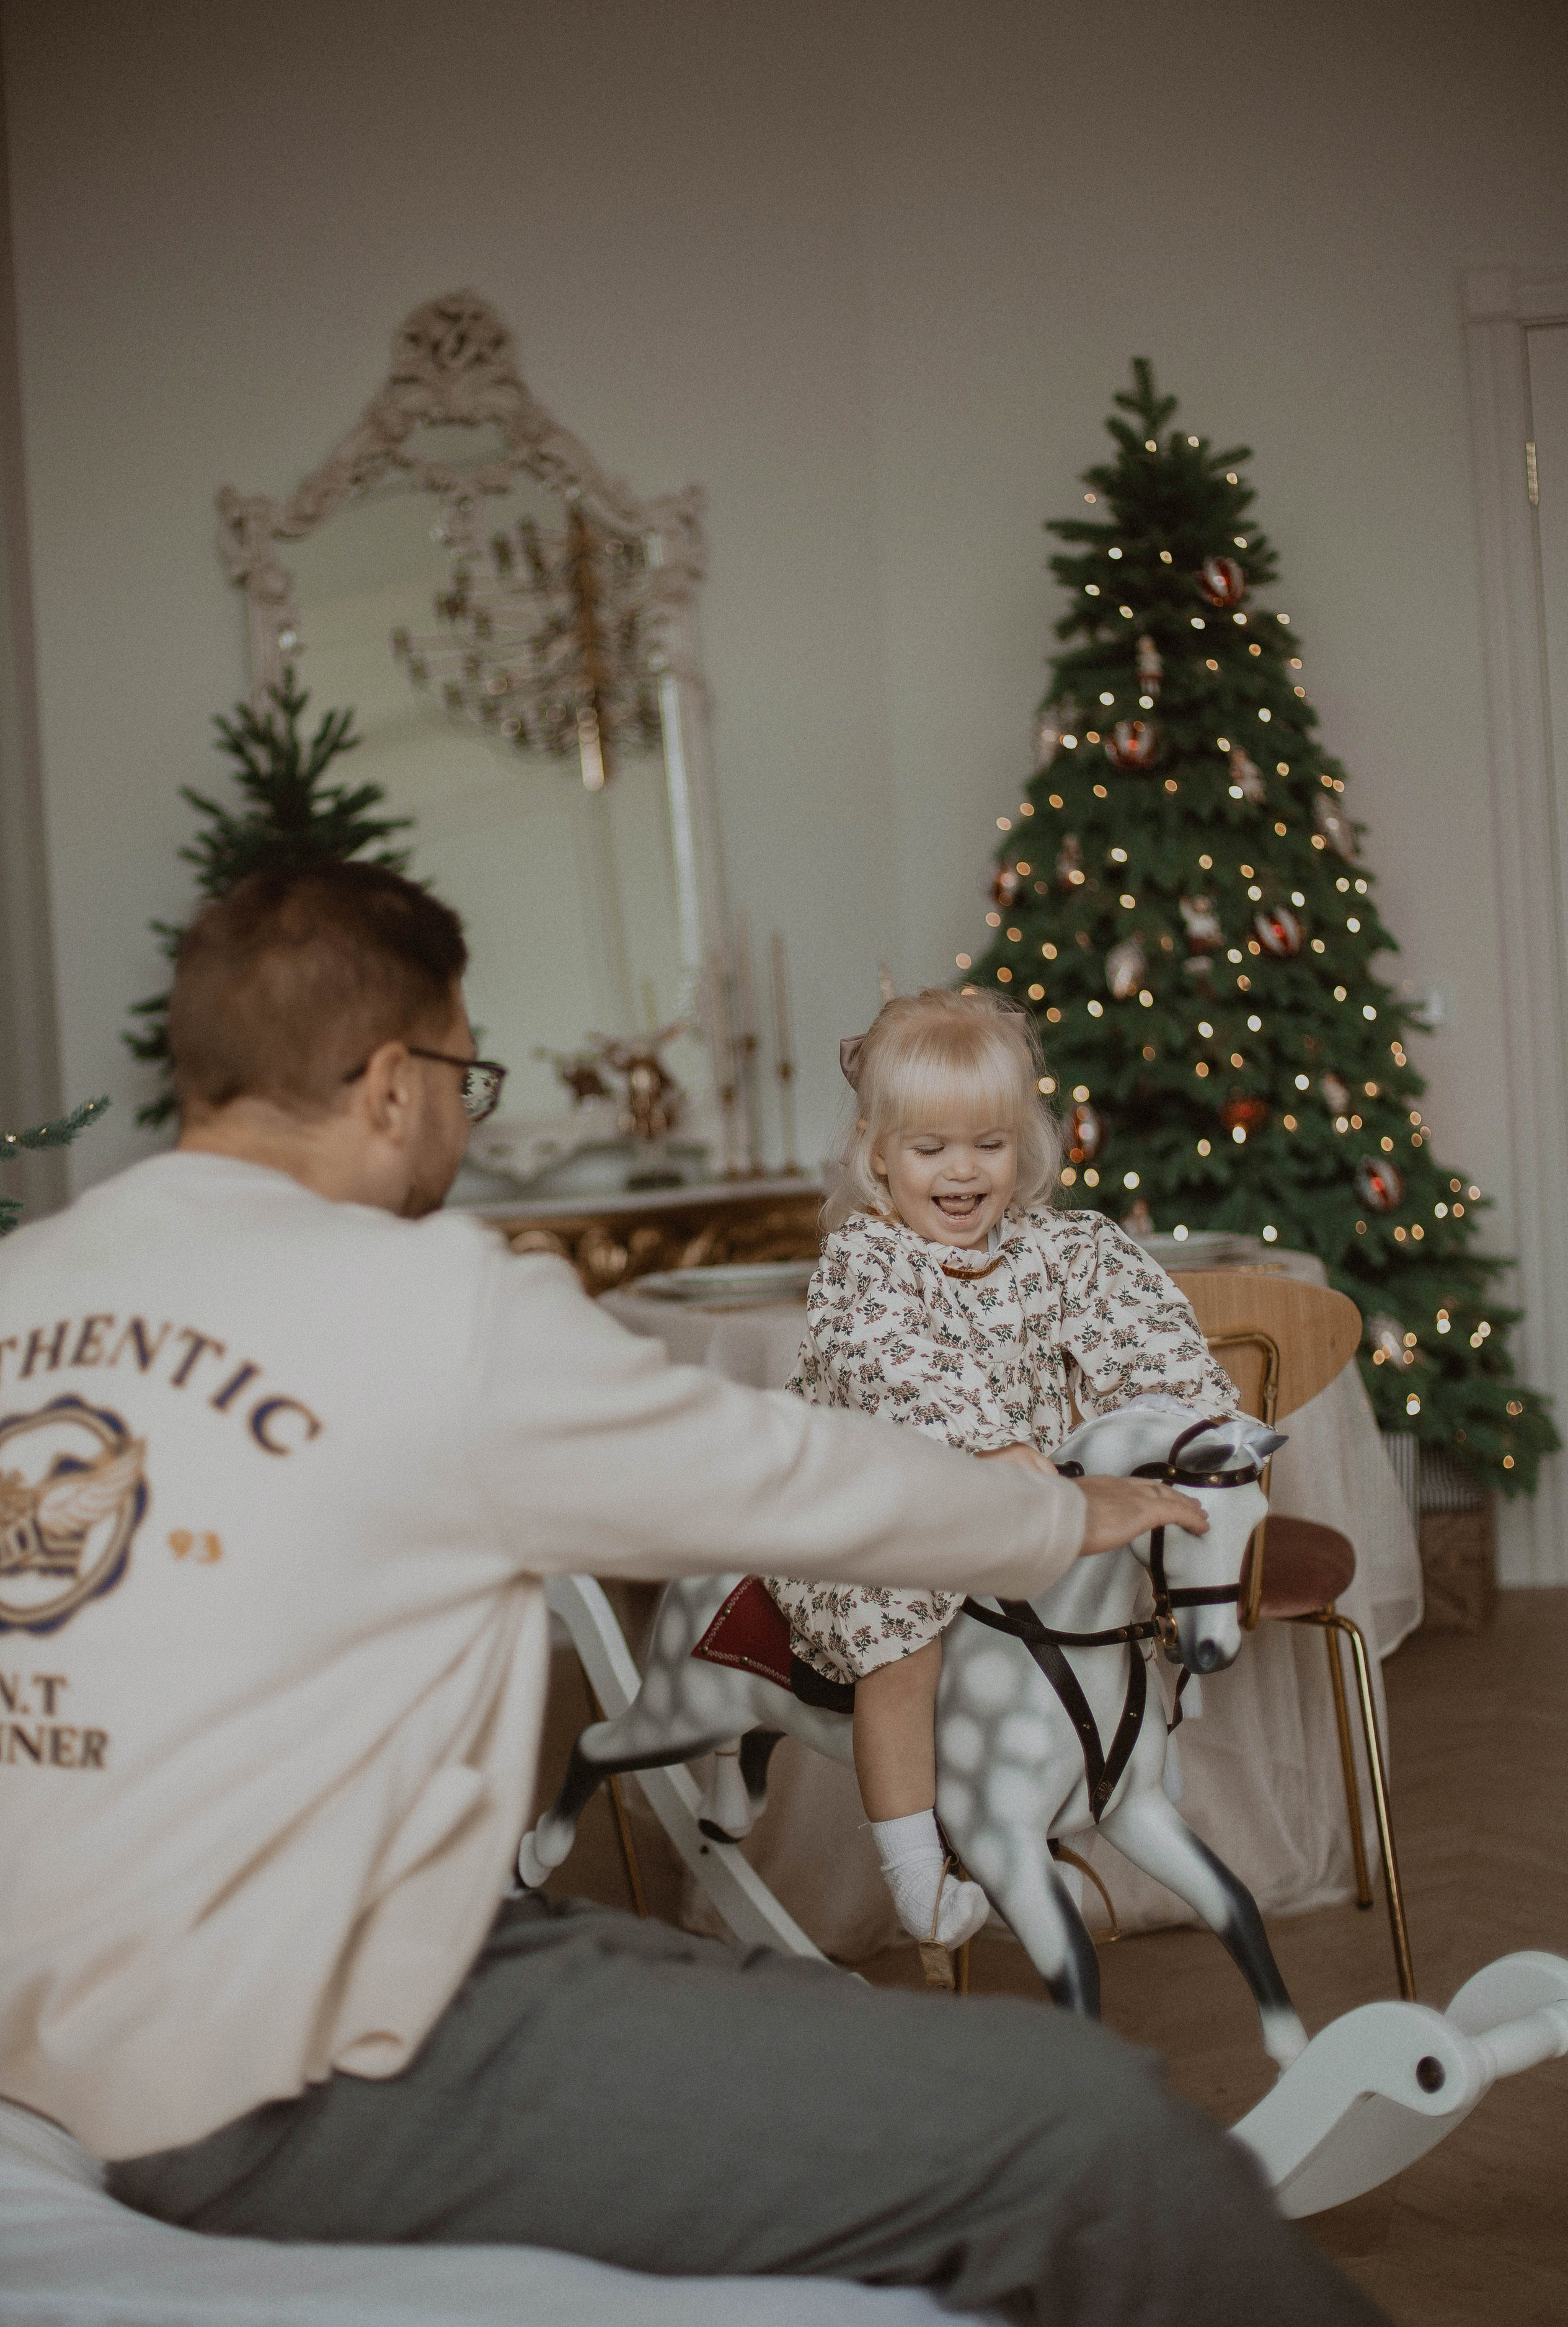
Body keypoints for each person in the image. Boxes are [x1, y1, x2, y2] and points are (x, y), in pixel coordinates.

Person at [0, 862, 1383, 2327]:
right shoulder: (435, 1307)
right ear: (395, 1084)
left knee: (791, 2013)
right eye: (470, 1080)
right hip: (277, 2067)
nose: (462, 1124)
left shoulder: (23, 1286)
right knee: (1087, 2126)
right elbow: (807, 1483)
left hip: (135, 1990)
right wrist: (1065, 1512)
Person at [765, 988, 1240, 1952]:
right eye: (930, 1149)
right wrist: (989, 1446)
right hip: (891, 1507)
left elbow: (1147, 1335)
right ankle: (914, 1871)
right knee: (901, 1637)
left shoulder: (1065, 1248)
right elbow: (894, 1357)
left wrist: (1200, 1426)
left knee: (1140, 1571)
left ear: (1023, 1145)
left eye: (987, 1143)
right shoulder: (867, 1260)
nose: (961, 1171)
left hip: (1034, 1500)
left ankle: (1136, 1757)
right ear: (878, 1152)